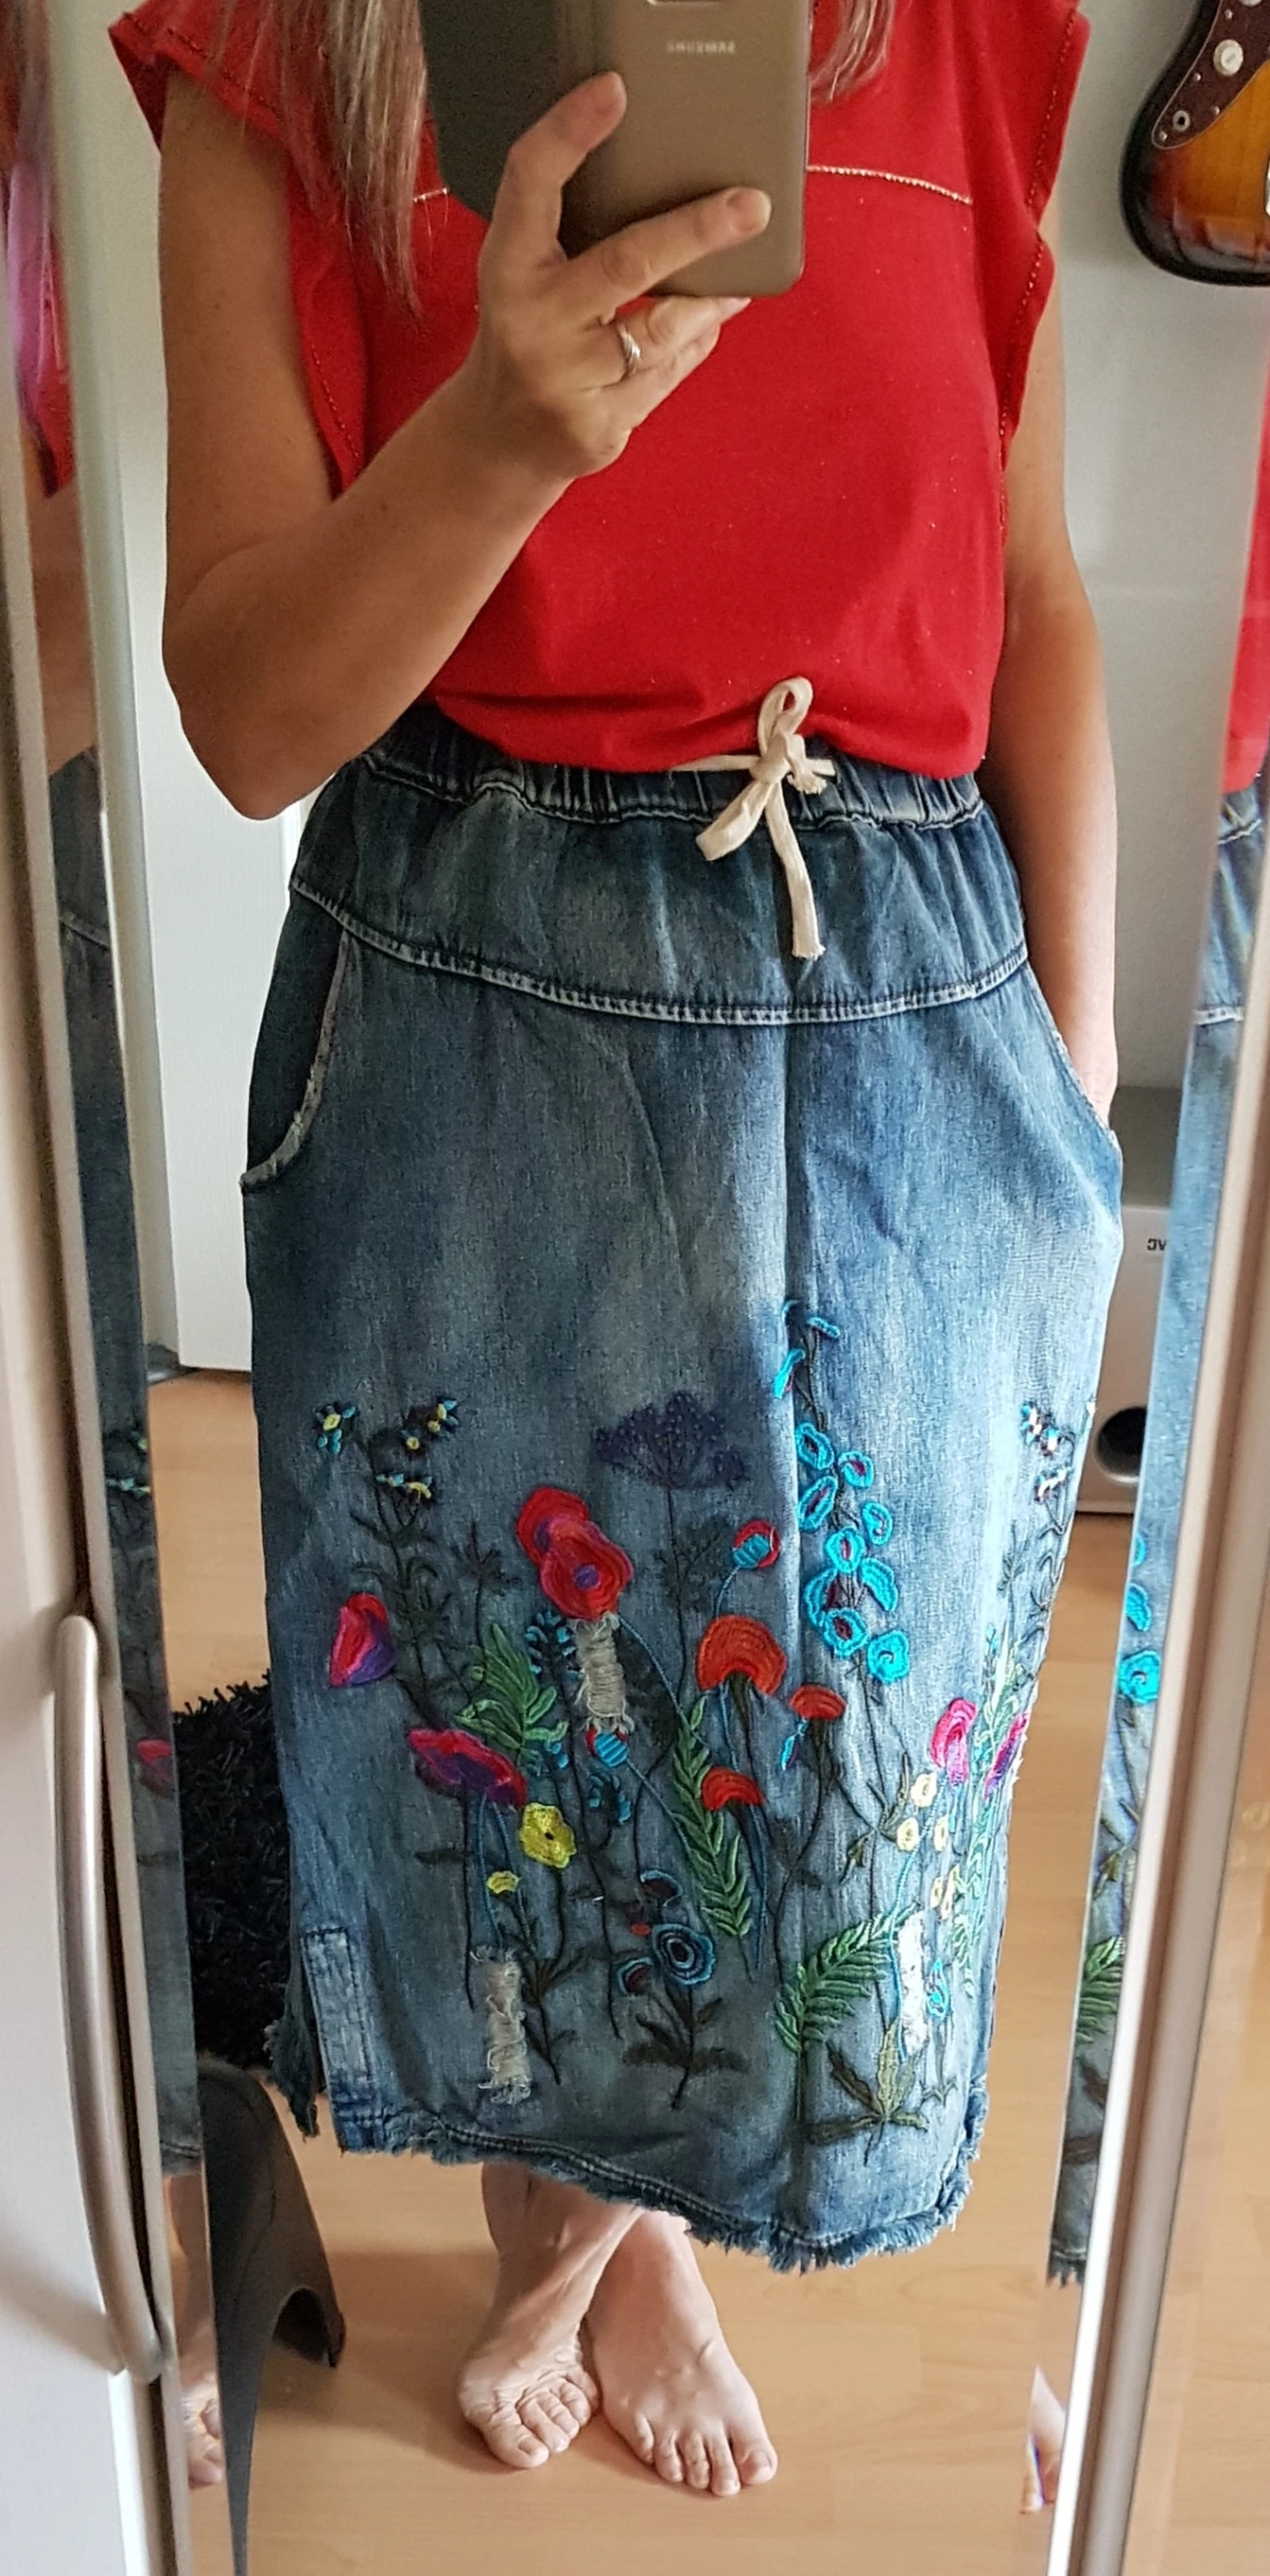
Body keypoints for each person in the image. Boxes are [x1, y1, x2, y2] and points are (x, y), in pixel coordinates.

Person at [110, 0, 1122, 2500]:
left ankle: (644, 2208)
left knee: (829, 1771)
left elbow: (1033, 595)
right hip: (481, 1016)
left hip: (913, 1016)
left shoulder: (975, 34)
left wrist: (1069, 1101)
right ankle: (572, 2222)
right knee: (527, 1756)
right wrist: (497, 439)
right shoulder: (284, 55)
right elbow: (244, 711)